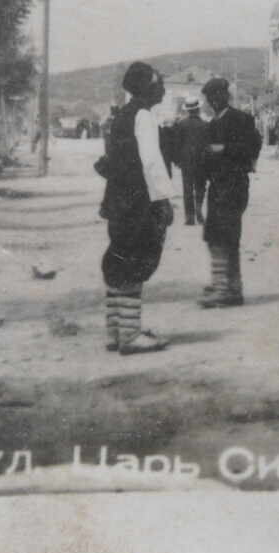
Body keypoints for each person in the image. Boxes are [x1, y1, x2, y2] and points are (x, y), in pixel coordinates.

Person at [97, 62, 175, 354]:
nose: (162, 88)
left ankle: (117, 329)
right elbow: (151, 163)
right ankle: (130, 335)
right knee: (135, 259)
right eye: (158, 83)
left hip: (118, 199)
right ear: (146, 87)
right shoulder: (143, 116)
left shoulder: (121, 117)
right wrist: (163, 201)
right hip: (138, 201)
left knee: (119, 259)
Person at [199, 77, 262, 308]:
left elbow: (252, 145)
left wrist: (223, 149)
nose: (213, 101)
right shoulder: (214, 122)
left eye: (216, 96)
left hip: (233, 185)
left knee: (223, 234)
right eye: (210, 98)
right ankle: (231, 287)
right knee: (222, 235)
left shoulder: (240, 119)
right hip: (218, 185)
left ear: (224, 96)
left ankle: (224, 289)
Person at [174, 97, 209, 226]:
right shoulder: (205, 125)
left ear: (188, 111)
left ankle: (190, 217)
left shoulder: (181, 125)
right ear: (198, 109)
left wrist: (177, 160)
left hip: (186, 160)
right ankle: (199, 209)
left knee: (187, 188)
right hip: (201, 160)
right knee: (200, 186)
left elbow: (176, 144)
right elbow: (208, 145)